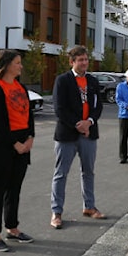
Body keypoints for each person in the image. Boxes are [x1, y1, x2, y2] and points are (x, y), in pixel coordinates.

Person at [0, 49, 35, 252]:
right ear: (6, 64)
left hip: (22, 146)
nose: (21, 66)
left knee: (14, 190)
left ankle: (13, 228)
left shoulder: (21, 87)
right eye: (17, 62)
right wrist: (15, 143)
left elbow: (29, 116)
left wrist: (30, 137)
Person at [51, 46, 105, 230]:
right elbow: (59, 108)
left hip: (89, 134)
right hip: (67, 134)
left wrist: (89, 122)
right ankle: (57, 212)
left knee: (88, 171)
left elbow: (98, 106)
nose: (84, 63)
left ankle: (89, 206)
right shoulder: (62, 81)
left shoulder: (92, 81)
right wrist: (78, 124)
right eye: (80, 60)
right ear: (72, 62)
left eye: (86, 59)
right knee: (61, 174)